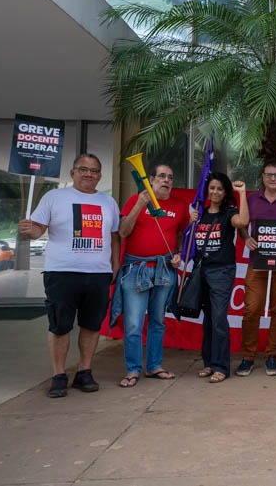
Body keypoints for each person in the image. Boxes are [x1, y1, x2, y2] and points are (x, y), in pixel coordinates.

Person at [19, 154, 120, 398]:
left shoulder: (109, 202)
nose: (89, 174)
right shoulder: (54, 197)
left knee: (92, 325)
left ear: (100, 176)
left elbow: (114, 236)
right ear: (73, 172)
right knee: (59, 325)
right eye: (83, 169)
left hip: (98, 274)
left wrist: (115, 264)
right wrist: (30, 230)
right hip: (61, 273)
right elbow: (38, 229)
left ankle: (84, 371)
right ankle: (59, 375)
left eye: (94, 171)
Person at [114, 163, 193, 388]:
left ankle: (154, 366)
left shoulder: (179, 206)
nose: (167, 180)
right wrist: (140, 204)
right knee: (133, 323)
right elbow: (123, 232)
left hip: (164, 269)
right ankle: (133, 369)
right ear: (151, 179)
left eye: (170, 177)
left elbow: (181, 234)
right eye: (162, 176)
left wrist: (178, 253)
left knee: (158, 321)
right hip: (136, 269)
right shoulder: (135, 200)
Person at [235, 160, 276, 377]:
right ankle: (247, 357)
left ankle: (272, 355)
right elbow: (241, 224)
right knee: (251, 309)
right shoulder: (252, 199)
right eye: (269, 175)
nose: (273, 178)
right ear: (262, 177)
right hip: (257, 263)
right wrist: (246, 238)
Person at [194, 172, 248, 383]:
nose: (215, 192)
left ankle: (221, 367)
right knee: (207, 319)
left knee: (218, 319)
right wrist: (190, 222)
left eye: (219, 189)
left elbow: (242, 221)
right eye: (212, 188)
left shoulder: (229, 213)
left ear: (225, 193)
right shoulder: (199, 213)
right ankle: (208, 363)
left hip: (222, 272)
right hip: (201, 271)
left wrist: (242, 193)